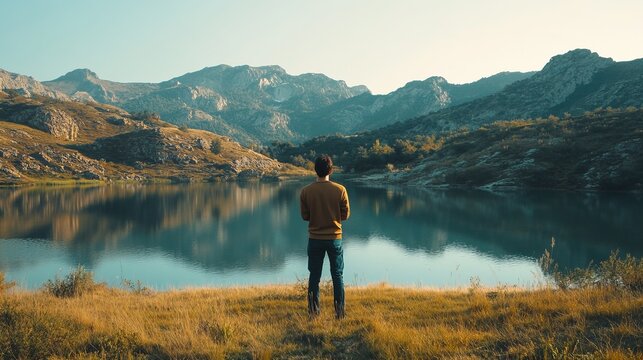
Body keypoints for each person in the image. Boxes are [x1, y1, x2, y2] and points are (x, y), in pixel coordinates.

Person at [300, 154, 350, 319]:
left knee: (314, 276)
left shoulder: (306, 191)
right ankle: (340, 313)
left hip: (314, 239)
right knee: (338, 275)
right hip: (334, 238)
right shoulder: (340, 189)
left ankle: (314, 313)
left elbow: (305, 216)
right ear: (331, 170)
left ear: (315, 170)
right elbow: (345, 215)